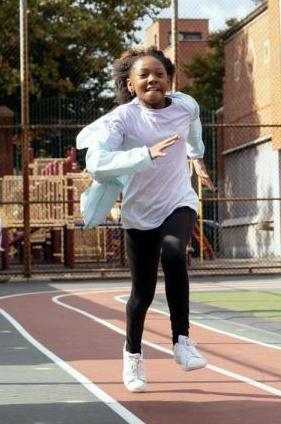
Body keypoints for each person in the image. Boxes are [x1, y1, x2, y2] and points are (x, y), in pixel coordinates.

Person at [76, 46, 214, 393]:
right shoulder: (122, 119)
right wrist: (144, 155)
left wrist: (197, 159)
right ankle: (133, 353)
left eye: (159, 73)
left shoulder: (185, 106)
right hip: (139, 214)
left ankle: (182, 341)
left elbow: (194, 129)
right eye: (144, 75)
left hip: (178, 202)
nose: (153, 78)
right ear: (130, 84)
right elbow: (96, 163)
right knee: (142, 295)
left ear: (169, 79)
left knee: (174, 254)